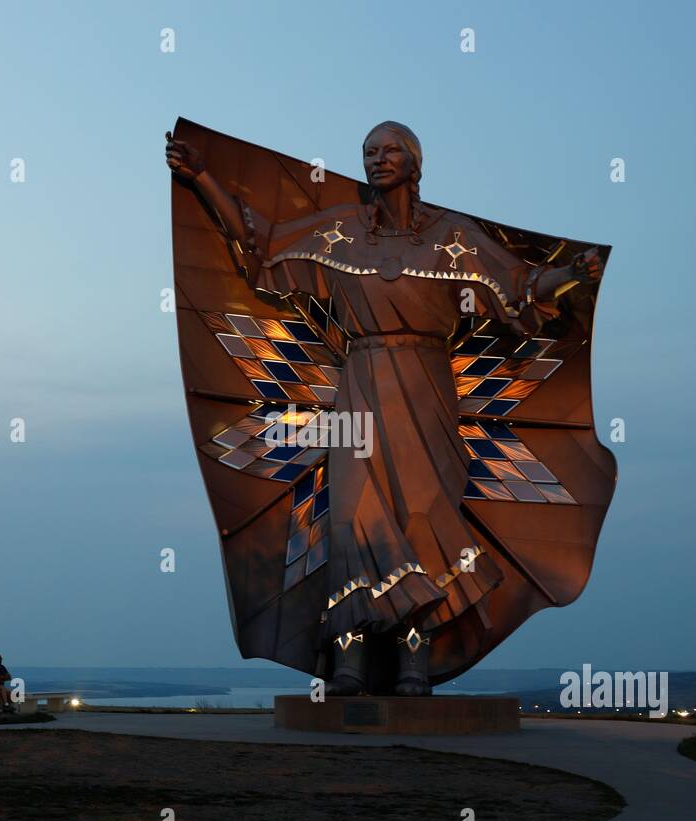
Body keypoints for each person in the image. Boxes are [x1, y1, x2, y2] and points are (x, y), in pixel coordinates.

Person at [166, 123, 603, 697]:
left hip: (428, 390)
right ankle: (349, 657)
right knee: (351, 517)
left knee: (422, 517)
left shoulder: (453, 237)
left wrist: (572, 275)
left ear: (415, 163)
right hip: (361, 384)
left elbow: (518, 283)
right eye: (369, 152)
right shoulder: (342, 233)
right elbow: (264, 243)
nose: (377, 160)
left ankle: (413, 661)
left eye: (389, 150)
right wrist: (201, 178)